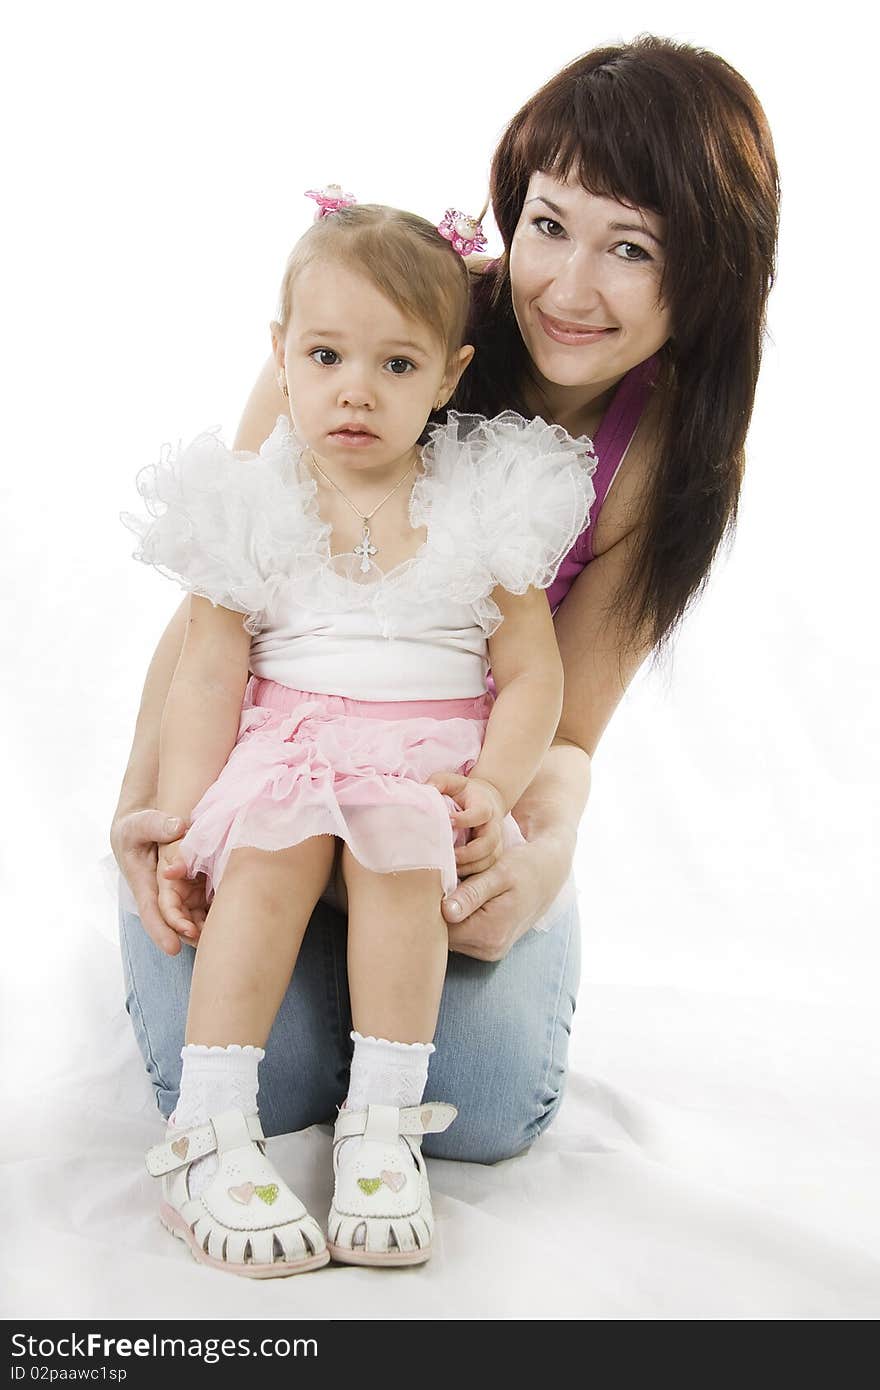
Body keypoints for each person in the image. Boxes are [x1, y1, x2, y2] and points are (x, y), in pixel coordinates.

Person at [113, 36, 779, 1175]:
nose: (568, 287)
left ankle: (358, 966)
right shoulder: (368, 334)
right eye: (548, 224)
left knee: (482, 1103)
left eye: (630, 248)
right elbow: (216, 610)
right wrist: (152, 816)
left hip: (448, 793)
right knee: (251, 1085)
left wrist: (539, 852)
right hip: (280, 752)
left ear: (710, 273)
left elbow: (562, 720)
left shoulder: (664, 453)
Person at [125, 199, 597, 1274]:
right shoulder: (255, 501)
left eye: (395, 365)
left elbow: (532, 671)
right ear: (279, 356)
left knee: (401, 864)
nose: (354, 387)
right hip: (288, 744)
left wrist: (493, 782)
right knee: (264, 863)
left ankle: (383, 1126)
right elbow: (210, 670)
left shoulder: (481, 501)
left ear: (447, 376)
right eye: (326, 354)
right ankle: (207, 1128)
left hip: (423, 756)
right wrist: (188, 825)